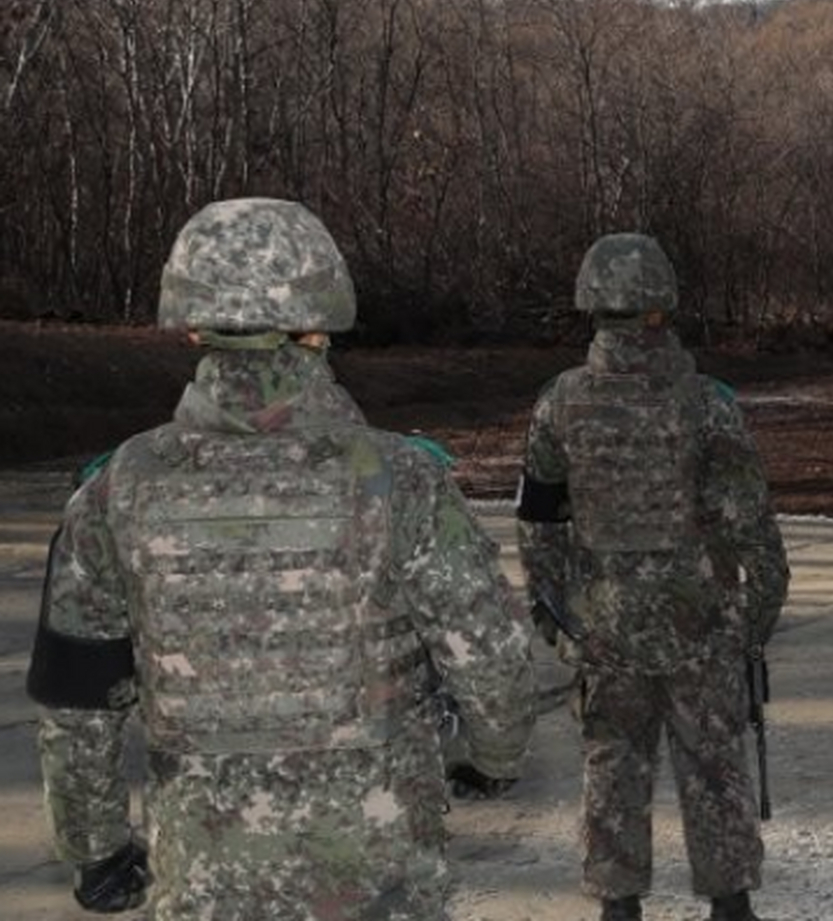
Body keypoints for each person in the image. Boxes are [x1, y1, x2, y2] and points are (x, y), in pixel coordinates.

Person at [26, 197, 535, 919]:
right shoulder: (398, 477)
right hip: (375, 871)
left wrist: (96, 849)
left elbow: (78, 701)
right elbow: (490, 655)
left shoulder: (118, 488)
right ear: (319, 328)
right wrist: (495, 758)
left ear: (193, 325)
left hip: (204, 877)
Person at [516, 232, 789, 921]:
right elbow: (751, 527)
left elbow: (538, 523)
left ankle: (618, 906)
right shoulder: (708, 403)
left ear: (592, 307)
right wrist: (748, 625)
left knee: (613, 770)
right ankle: (730, 905)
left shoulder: (559, 404)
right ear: (662, 309)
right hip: (700, 627)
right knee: (715, 771)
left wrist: (560, 621)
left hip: (605, 629)